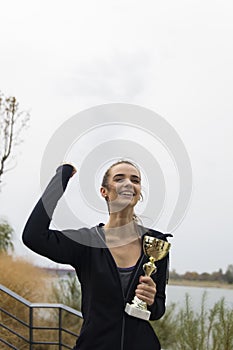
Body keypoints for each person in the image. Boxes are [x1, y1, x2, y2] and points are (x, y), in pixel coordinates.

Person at [22, 160, 171, 350]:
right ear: (104, 192)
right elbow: (33, 236)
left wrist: (150, 301)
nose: (129, 183)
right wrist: (62, 177)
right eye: (119, 178)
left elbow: (158, 310)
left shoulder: (156, 243)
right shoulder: (86, 243)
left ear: (138, 192)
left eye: (135, 180)